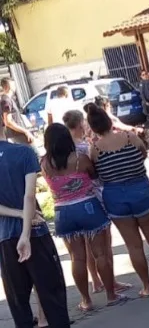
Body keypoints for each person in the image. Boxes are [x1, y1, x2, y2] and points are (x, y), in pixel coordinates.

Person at [86, 103, 149, 297]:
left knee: (134, 246)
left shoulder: (94, 149)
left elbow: (95, 173)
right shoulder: (130, 137)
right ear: (108, 121)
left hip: (115, 197)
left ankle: (147, 286)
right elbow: (144, 153)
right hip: (141, 190)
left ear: (93, 127)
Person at [40, 123, 121, 312]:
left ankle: (86, 300)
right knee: (100, 253)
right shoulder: (80, 159)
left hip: (63, 212)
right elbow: (94, 175)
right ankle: (111, 295)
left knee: (77, 258)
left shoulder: (44, 163)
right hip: (87, 206)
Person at [0, 120, 71, 328]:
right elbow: (29, 196)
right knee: (52, 293)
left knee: (18, 301)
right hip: (35, 233)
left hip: (4, 237)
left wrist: (20, 215)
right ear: (3, 123)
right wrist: (26, 229)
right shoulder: (24, 152)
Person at [62, 110, 131, 297]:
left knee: (85, 245)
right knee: (103, 244)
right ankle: (111, 282)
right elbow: (96, 170)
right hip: (94, 195)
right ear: (78, 125)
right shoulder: (85, 147)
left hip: (71, 200)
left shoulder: (64, 148)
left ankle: (95, 281)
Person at [0, 78, 33, 145]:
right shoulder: (6, 101)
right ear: (8, 86)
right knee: (34, 153)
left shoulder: (7, 99)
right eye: (13, 84)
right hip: (17, 134)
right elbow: (8, 122)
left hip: (17, 134)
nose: (15, 86)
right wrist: (25, 131)